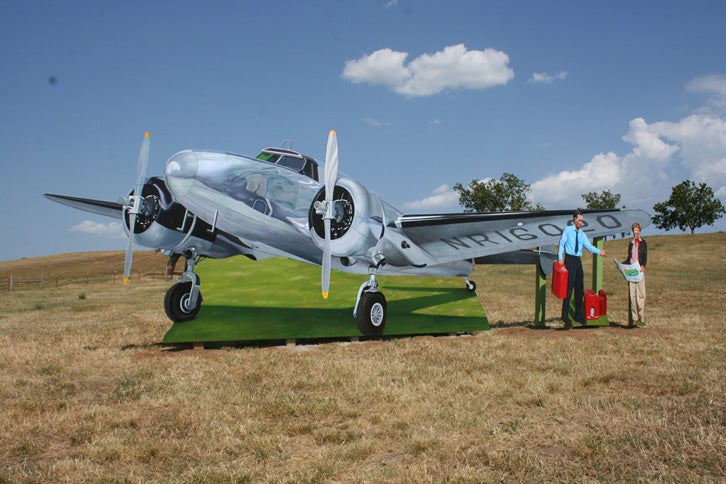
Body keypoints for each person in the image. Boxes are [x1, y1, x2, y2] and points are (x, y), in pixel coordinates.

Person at [557, 211, 608, 329]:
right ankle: (564, 315)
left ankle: (578, 315)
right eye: (579, 220)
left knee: (579, 288)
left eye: (582, 220)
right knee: (568, 288)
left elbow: (589, 246)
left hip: (577, 260)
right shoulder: (567, 230)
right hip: (569, 260)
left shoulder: (581, 234)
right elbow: (562, 243)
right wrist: (560, 258)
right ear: (574, 219)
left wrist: (599, 251)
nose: (581, 222)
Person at [624, 222, 647, 327]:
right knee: (632, 296)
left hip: (640, 270)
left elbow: (645, 255)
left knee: (641, 295)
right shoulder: (631, 243)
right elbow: (629, 257)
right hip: (632, 270)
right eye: (634, 230)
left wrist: (643, 265)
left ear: (640, 231)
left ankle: (642, 317)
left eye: (637, 230)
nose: (636, 232)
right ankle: (634, 318)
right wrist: (622, 265)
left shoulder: (643, 243)